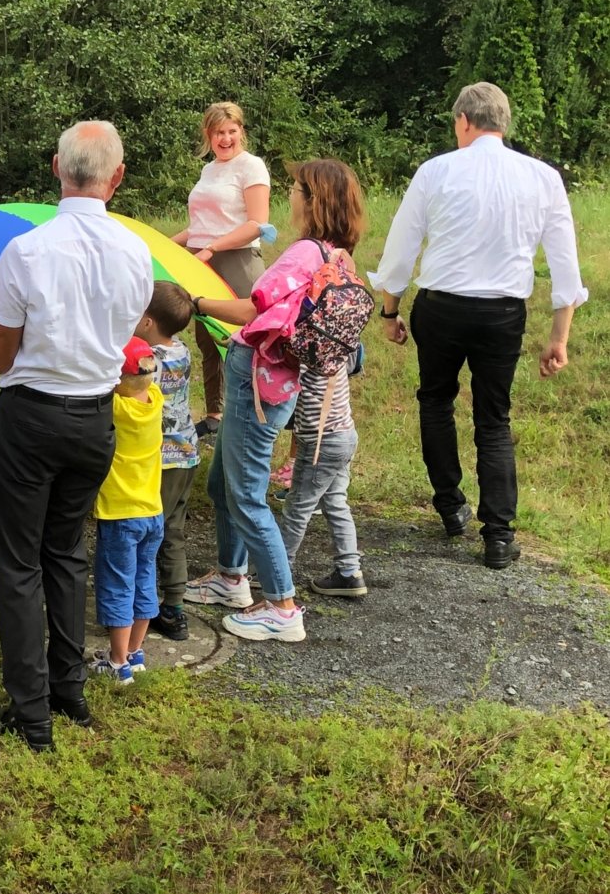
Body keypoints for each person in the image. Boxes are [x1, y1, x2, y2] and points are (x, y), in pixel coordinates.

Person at [0, 120, 152, 752]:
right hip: (94, 420)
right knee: (66, 554)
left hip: (30, 417)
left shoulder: (26, 253)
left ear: (56, 169)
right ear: (116, 177)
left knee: (17, 562)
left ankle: (30, 713)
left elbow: (0, 357)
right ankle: (69, 694)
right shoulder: (137, 251)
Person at [370, 82, 588, 569]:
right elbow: (565, 264)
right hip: (502, 313)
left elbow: (401, 248)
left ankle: (449, 505)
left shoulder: (436, 170)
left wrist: (390, 312)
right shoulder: (543, 177)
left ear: (465, 121)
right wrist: (559, 336)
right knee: (494, 417)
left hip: (442, 307)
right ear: (503, 123)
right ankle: (499, 535)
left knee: (436, 399)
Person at [184, 158, 368, 643]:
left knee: (245, 495)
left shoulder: (304, 252)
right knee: (223, 486)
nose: (290, 196)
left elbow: (253, 306)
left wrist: (195, 303)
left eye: (295, 189)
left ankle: (283, 607)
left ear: (312, 199)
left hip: (257, 385)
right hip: (275, 380)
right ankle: (230, 578)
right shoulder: (337, 255)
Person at [172, 103, 270, 437]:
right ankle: (215, 415)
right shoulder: (209, 170)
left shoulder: (251, 166)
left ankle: (252, 414)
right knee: (208, 339)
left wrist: (212, 248)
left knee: (242, 339)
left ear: (241, 131)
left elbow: (258, 223)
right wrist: (168, 245)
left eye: (232, 131)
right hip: (202, 261)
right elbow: (199, 225)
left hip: (237, 259)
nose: (226, 138)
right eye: (219, 132)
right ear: (208, 135)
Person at [89, 338, 164, 685]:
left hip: (120, 514)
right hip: (153, 511)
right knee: (144, 579)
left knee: (118, 584)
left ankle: (118, 663)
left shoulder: (116, 409)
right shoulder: (156, 402)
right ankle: (135, 651)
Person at [134, 282, 198, 641]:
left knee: (149, 531)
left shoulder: (148, 359)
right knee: (173, 528)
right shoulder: (183, 350)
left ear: (146, 321)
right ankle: (174, 606)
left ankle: (145, 604)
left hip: (160, 456)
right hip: (186, 453)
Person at [282, 352, 365, 598]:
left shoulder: (305, 352)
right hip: (345, 435)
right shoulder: (342, 343)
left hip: (320, 443)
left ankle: (278, 570)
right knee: (336, 502)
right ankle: (350, 573)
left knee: (298, 507)